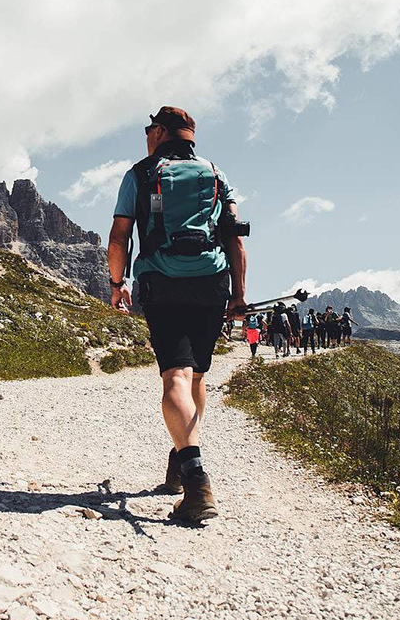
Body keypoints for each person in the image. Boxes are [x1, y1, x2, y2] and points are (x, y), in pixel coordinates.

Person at [107, 106, 247, 523]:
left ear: (161, 132)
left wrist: (117, 283)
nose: (146, 135)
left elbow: (119, 236)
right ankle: (181, 458)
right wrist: (239, 294)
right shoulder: (216, 174)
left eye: (149, 128)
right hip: (212, 283)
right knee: (196, 377)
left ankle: (196, 480)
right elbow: (236, 238)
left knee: (175, 376)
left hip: (162, 282)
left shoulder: (140, 174)